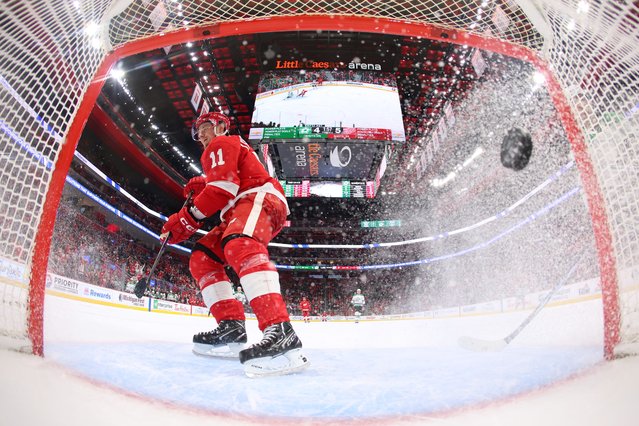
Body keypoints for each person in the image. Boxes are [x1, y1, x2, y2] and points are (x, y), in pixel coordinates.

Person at [161, 111, 309, 377]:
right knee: (203, 256)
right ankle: (231, 326)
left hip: (258, 198)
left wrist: (185, 219)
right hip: (236, 209)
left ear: (220, 126)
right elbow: (220, 188)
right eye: (197, 131)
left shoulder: (224, 142)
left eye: (205, 126)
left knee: (239, 242)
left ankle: (281, 332)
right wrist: (202, 189)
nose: (201, 135)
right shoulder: (218, 155)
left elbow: (222, 191)